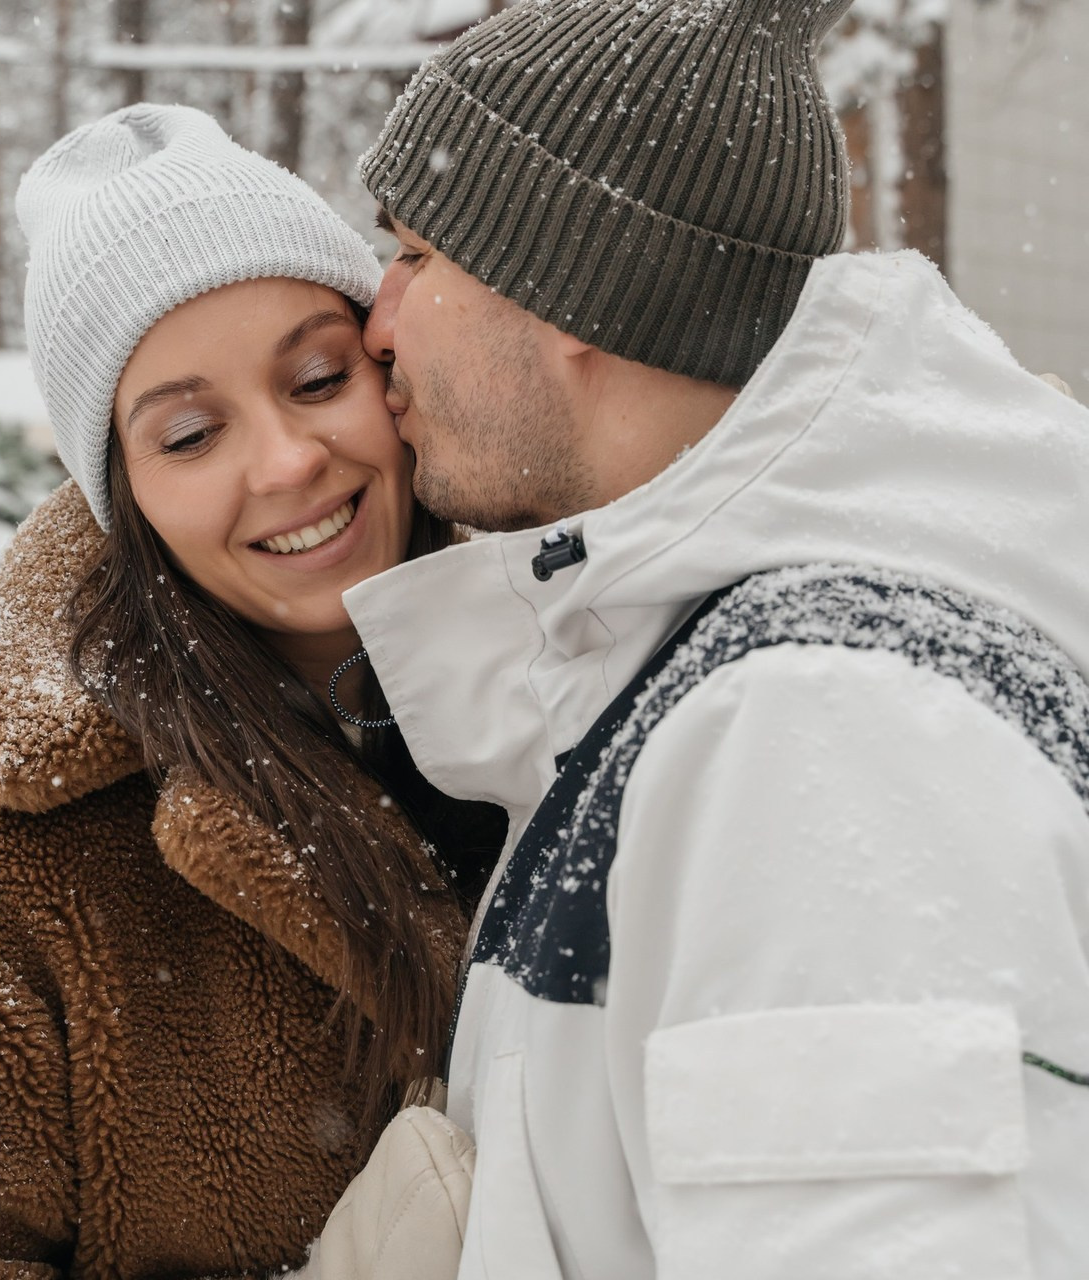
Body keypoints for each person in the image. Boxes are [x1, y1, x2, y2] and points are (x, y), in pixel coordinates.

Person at [340, 0, 1089, 1276]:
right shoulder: (693, 661)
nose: (377, 322)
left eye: (414, 255)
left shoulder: (825, 727)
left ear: (568, 283)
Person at [0, 103, 499, 1278]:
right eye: (187, 434)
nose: (284, 461)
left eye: (319, 376)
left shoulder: (589, 684)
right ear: (117, 495)